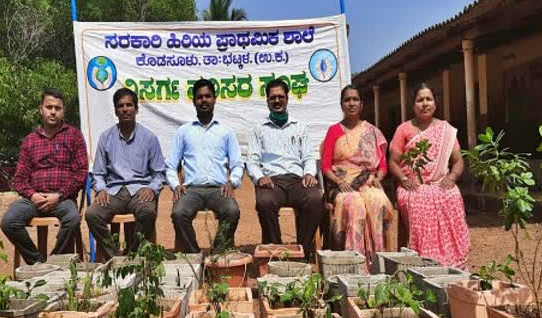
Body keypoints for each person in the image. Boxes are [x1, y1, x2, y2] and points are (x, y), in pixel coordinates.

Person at [1, 88, 89, 264]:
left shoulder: (74, 136)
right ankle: (37, 262)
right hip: (34, 199)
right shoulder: (30, 141)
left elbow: (81, 173)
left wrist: (59, 196)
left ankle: (55, 261)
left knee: (73, 219)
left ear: (63, 111)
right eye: (49, 107)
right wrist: (33, 195)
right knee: (9, 222)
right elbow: (18, 179)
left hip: (62, 199)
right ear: (41, 109)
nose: (53, 112)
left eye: (58, 108)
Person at [388, 82, 470, 267]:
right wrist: (402, 179)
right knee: (418, 201)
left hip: (440, 183)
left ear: (435, 103)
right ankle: (423, 260)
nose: (425, 103)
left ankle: (454, 261)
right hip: (412, 185)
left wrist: (452, 177)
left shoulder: (445, 129)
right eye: (420, 100)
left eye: (428, 99)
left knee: (453, 195)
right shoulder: (404, 129)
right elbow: (393, 162)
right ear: (413, 105)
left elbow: (458, 160)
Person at [84, 88, 166, 259]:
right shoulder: (106, 138)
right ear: (115, 111)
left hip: (140, 192)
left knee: (148, 213)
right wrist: (101, 189)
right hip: (113, 193)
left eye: (129, 105)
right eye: (121, 106)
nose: (125, 109)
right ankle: (115, 257)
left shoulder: (149, 138)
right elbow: (98, 173)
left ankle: (133, 255)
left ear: (136, 109)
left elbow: (159, 174)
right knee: (92, 214)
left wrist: (151, 188)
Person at [247, 78, 323, 261]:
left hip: (298, 180)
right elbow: (252, 161)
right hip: (273, 181)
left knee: (315, 199)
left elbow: (308, 157)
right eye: (272, 97)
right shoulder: (258, 129)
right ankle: (276, 252)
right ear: (267, 101)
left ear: (287, 99)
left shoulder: (300, 127)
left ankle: (303, 252)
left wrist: (309, 173)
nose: (277, 100)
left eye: (280, 96)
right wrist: (259, 178)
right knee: (264, 202)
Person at [166, 78, 243, 253]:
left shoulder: (226, 131)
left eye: (208, 96)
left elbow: (237, 164)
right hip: (191, 189)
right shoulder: (184, 131)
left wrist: (232, 182)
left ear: (215, 99)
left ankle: (216, 256)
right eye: (200, 97)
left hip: (219, 189)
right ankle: (195, 256)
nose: (204, 100)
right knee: (178, 213)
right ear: (194, 101)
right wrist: (175, 185)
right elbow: (171, 166)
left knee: (232, 211)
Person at [321, 85, 394, 260]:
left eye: (355, 99)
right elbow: (325, 167)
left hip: (367, 182)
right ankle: (353, 259)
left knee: (378, 200)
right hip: (341, 184)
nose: (351, 103)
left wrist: (378, 177)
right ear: (341, 105)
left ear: (361, 104)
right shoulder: (334, 131)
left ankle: (378, 258)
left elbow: (382, 165)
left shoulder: (372, 131)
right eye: (347, 100)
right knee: (354, 204)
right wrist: (339, 182)